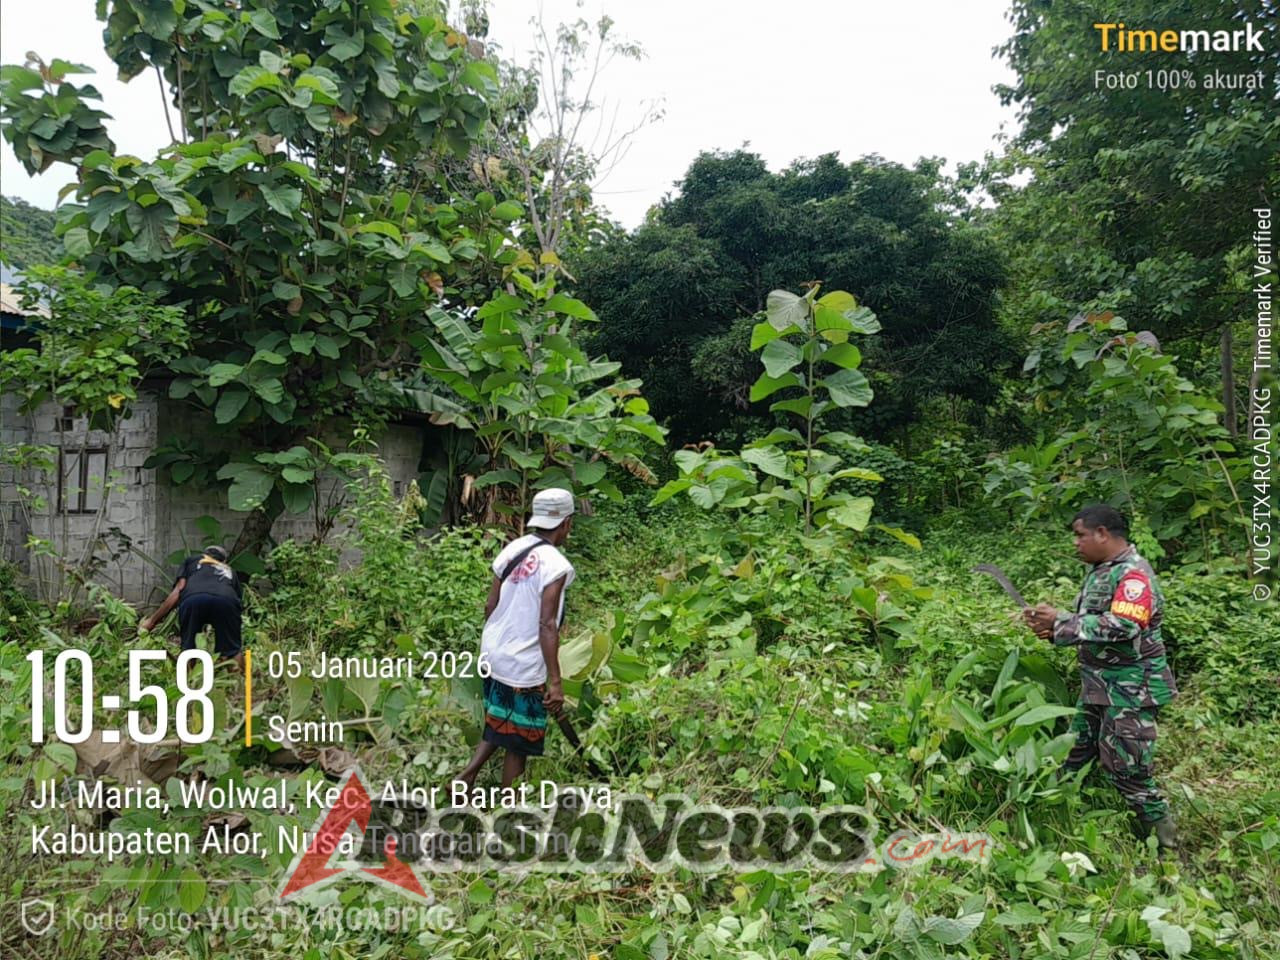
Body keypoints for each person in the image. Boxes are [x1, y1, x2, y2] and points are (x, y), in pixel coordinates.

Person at [1024, 504, 1178, 851]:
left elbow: (1124, 625)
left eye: (1080, 535)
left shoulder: (1133, 575)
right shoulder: (1101, 570)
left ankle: (1166, 849)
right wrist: (1056, 631)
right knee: (1075, 753)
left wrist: (1062, 621)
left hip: (1131, 690)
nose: (1076, 543)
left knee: (1128, 770)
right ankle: (1058, 826)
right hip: (1099, 686)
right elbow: (1094, 625)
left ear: (1102, 534)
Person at [453, 488, 575, 794]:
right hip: (522, 663)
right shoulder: (555, 565)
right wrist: (556, 681)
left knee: (502, 721)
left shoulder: (513, 548)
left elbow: (489, 606)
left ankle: (465, 779)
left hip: (493, 654)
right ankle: (509, 814)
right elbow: (547, 624)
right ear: (566, 523)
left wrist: (500, 642)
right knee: (518, 743)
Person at [140, 545, 243, 661]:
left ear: (204, 554)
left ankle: (188, 677)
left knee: (189, 650)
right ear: (224, 561)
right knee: (232, 651)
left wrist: (152, 621)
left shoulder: (192, 560)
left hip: (193, 599)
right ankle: (241, 677)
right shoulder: (228, 570)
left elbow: (179, 589)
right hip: (226, 600)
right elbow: (238, 600)